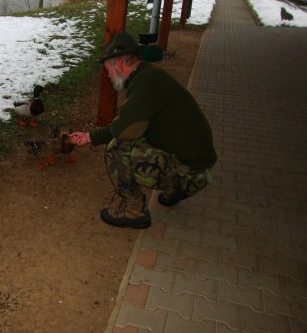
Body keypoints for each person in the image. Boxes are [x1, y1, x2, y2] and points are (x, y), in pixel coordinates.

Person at [70, 32, 217, 229]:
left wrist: (93, 137)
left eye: (108, 70)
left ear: (119, 64)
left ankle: (134, 211)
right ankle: (177, 187)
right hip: (199, 164)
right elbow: (130, 121)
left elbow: (125, 130)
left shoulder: (145, 83)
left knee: (117, 148)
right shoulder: (149, 76)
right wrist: (90, 136)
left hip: (192, 171)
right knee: (134, 139)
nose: (108, 75)